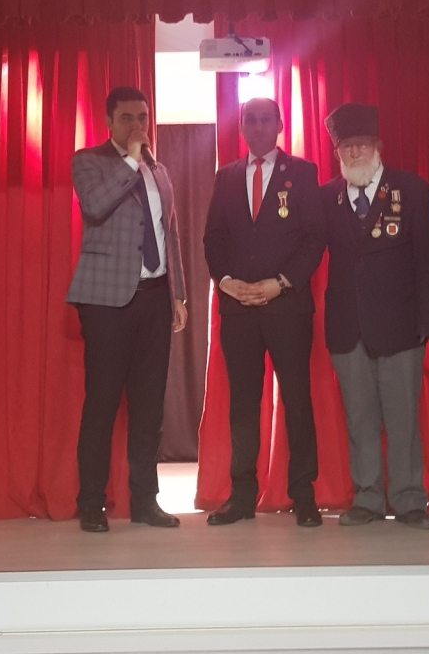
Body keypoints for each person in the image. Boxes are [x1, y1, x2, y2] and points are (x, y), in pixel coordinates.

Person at [66, 86, 188, 533]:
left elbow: (169, 232)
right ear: (109, 122)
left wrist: (178, 295)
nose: (138, 126)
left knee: (149, 407)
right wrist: (131, 161)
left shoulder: (160, 170)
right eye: (127, 118)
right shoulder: (89, 161)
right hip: (106, 301)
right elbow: (95, 207)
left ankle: (145, 501)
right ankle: (91, 503)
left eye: (143, 117)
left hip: (154, 297)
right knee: (101, 404)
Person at [203, 97, 327, 527]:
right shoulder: (226, 176)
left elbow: (314, 237)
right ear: (241, 127)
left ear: (279, 125)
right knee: (243, 403)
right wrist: (225, 281)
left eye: (265, 119)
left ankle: (304, 494)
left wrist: (281, 282)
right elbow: (213, 239)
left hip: (287, 305)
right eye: (250, 120)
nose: (258, 126)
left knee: (297, 399)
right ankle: (241, 495)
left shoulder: (304, 173)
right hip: (238, 308)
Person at [319, 103, 429, 529]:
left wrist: (427, 321)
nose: (355, 153)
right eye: (346, 146)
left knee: (403, 419)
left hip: (401, 326)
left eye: (362, 144)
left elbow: (427, 259)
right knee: (360, 419)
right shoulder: (325, 197)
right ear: (337, 151)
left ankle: (409, 500)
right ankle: (367, 497)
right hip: (347, 327)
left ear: (378, 146)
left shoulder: (412, 189)